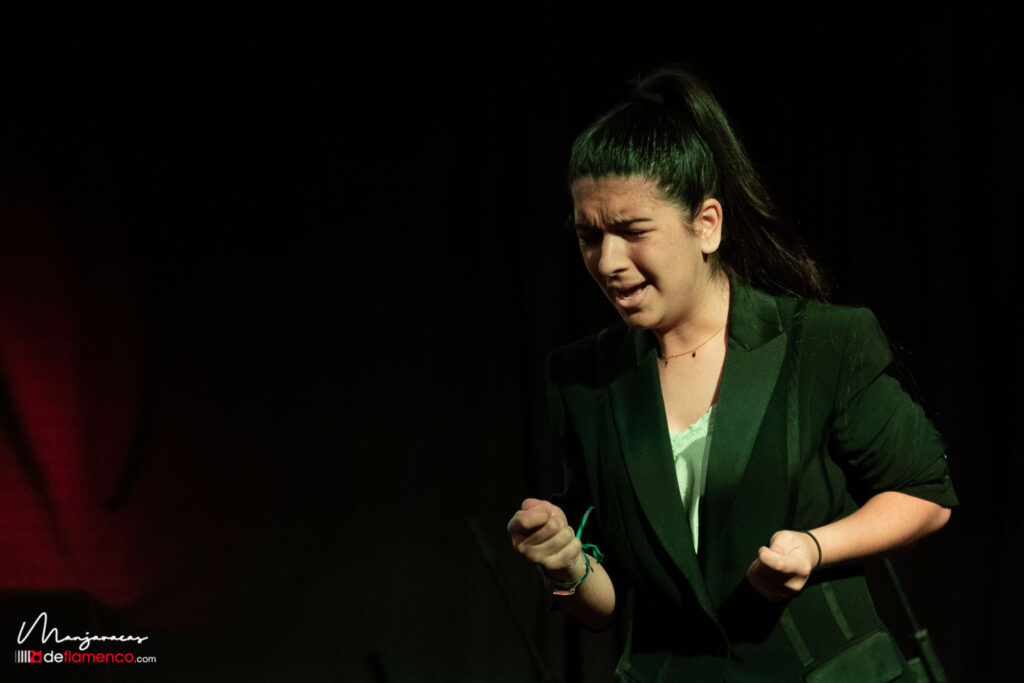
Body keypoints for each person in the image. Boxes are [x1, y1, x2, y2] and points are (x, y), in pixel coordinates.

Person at [506, 68, 956, 682]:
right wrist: (566, 564)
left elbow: (925, 493)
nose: (608, 262)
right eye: (589, 236)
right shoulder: (583, 378)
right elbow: (604, 606)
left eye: (633, 231)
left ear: (707, 224)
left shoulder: (823, 342)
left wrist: (815, 547)